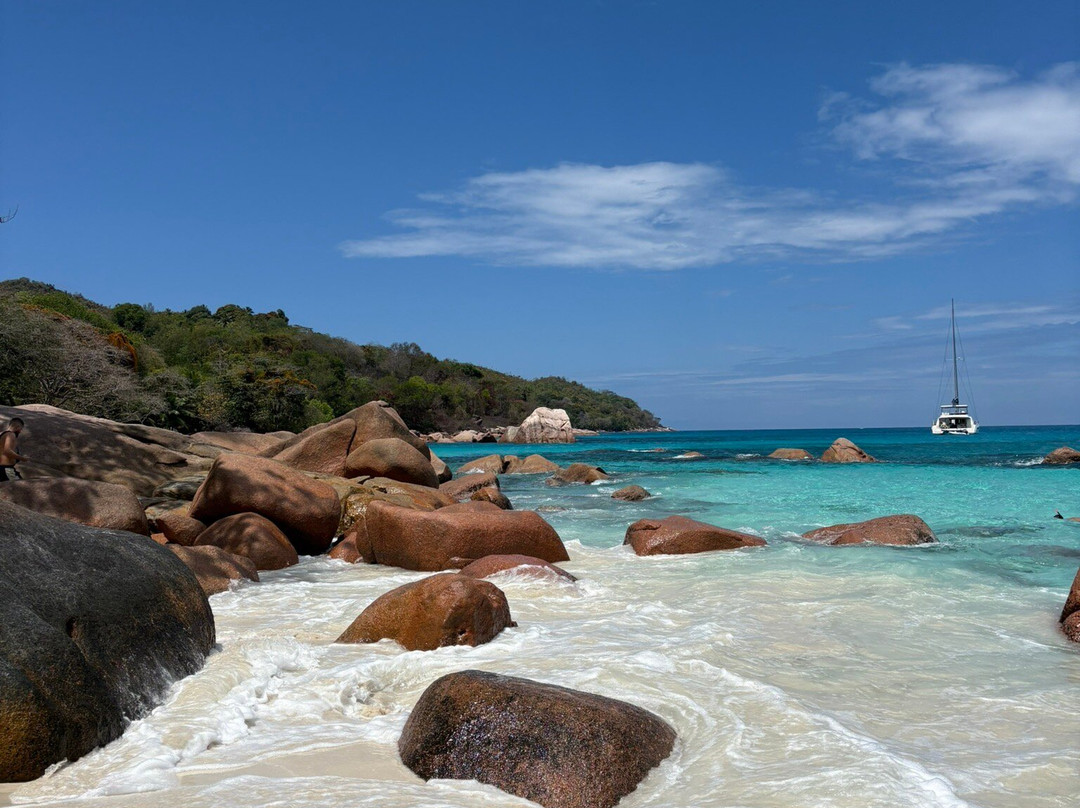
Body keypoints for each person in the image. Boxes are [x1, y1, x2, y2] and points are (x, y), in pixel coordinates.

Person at [0, 417, 28, 481]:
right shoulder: (10, 434)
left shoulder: (1, 433)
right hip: (6, 469)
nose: (20, 431)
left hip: (2, 468)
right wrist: (22, 458)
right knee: (19, 487)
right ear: (17, 426)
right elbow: (7, 451)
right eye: (21, 428)